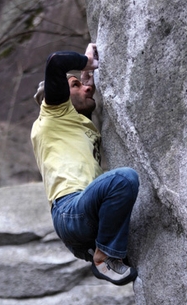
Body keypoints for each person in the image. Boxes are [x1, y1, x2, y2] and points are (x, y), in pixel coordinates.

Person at [31, 43, 139, 285]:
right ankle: (105, 257)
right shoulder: (53, 112)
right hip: (71, 210)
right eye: (75, 86)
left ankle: (102, 251)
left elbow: (83, 120)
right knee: (124, 179)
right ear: (56, 96)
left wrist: (86, 77)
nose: (88, 88)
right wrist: (87, 61)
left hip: (82, 226)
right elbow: (55, 61)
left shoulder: (72, 124)